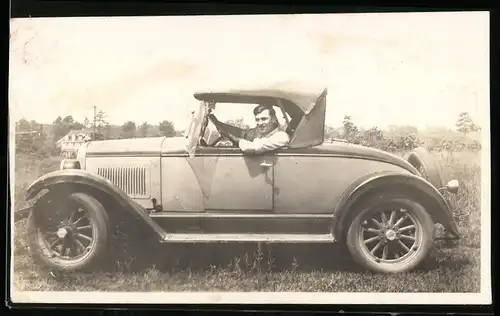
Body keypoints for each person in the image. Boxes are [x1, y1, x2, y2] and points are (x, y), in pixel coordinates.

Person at [208, 104, 290, 154]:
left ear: (273, 119)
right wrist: (219, 124)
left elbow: (252, 148)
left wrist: (231, 137)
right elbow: (243, 133)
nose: (260, 123)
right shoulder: (260, 133)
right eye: (257, 120)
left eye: (264, 119)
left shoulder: (281, 137)